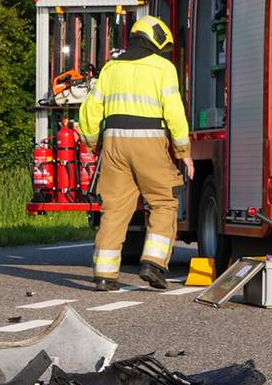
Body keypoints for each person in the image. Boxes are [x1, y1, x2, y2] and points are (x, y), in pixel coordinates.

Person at [78, 15, 192, 291]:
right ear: (156, 42)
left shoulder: (111, 68)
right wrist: (183, 151)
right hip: (149, 141)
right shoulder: (163, 68)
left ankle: (105, 275)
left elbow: (91, 110)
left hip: (114, 143)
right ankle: (153, 263)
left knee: (115, 209)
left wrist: (92, 143)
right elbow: (174, 111)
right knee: (163, 203)